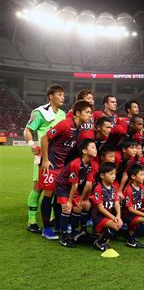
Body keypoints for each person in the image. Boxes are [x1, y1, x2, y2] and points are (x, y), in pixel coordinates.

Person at [39, 100, 92, 240]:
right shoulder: (66, 124)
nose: (90, 115)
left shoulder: (78, 128)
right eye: (87, 112)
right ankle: (46, 229)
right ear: (78, 113)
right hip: (50, 164)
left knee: (59, 195)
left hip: (61, 166)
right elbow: (45, 138)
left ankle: (57, 224)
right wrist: (45, 160)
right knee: (48, 196)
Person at [24, 84, 66, 234]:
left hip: (59, 158)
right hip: (44, 157)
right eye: (59, 94)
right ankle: (32, 221)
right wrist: (31, 143)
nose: (63, 97)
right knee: (39, 187)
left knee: (55, 188)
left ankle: (53, 218)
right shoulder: (40, 112)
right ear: (50, 96)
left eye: (63, 95)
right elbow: (28, 130)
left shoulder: (63, 114)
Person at [55, 139, 98, 247]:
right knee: (67, 209)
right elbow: (74, 185)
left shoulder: (92, 164)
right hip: (63, 187)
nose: (95, 149)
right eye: (92, 147)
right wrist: (69, 202)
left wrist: (85, 199)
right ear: (84, 151)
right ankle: (64, 237)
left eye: (95, 147)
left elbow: (88, 184)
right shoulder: (76, 164)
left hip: (73, 188)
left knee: (80, 207)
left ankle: (74, 233)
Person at [91, 162, 123, 252]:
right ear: (102, 175)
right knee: (116, 226)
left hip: (109, 216)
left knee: (118, 223)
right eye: (111, 174)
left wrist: (118, 216)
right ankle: (99, 242)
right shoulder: (98, 187)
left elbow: (117, 203)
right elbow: (100, 207)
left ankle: (101, 241)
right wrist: (113, 217)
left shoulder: (114, 188)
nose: (113, 176)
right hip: (99, 216)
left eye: (115, 174)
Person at [122, 164, 144, 248]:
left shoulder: (142, 187)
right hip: (128, 215)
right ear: (133, 176)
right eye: (141, 175)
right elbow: (130, 209)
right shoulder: (129, 190)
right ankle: (131, 240)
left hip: (137, 212)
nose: (143, 177)